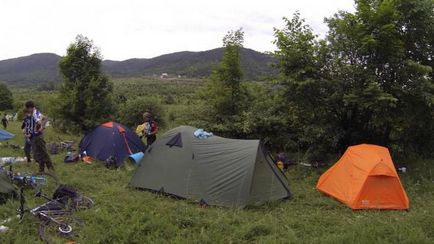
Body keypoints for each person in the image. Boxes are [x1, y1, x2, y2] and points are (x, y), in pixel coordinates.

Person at [24, 101, 54, 173]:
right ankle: (41, 170)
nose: (27, 110)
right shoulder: (33, 113)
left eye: (27, 108)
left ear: (30, 108)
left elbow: (44, 119)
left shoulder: (35, 113)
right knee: (37, 154)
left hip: (38, 137)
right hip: (33, 136)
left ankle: (50, 168)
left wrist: (41, 127)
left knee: (43, 152)